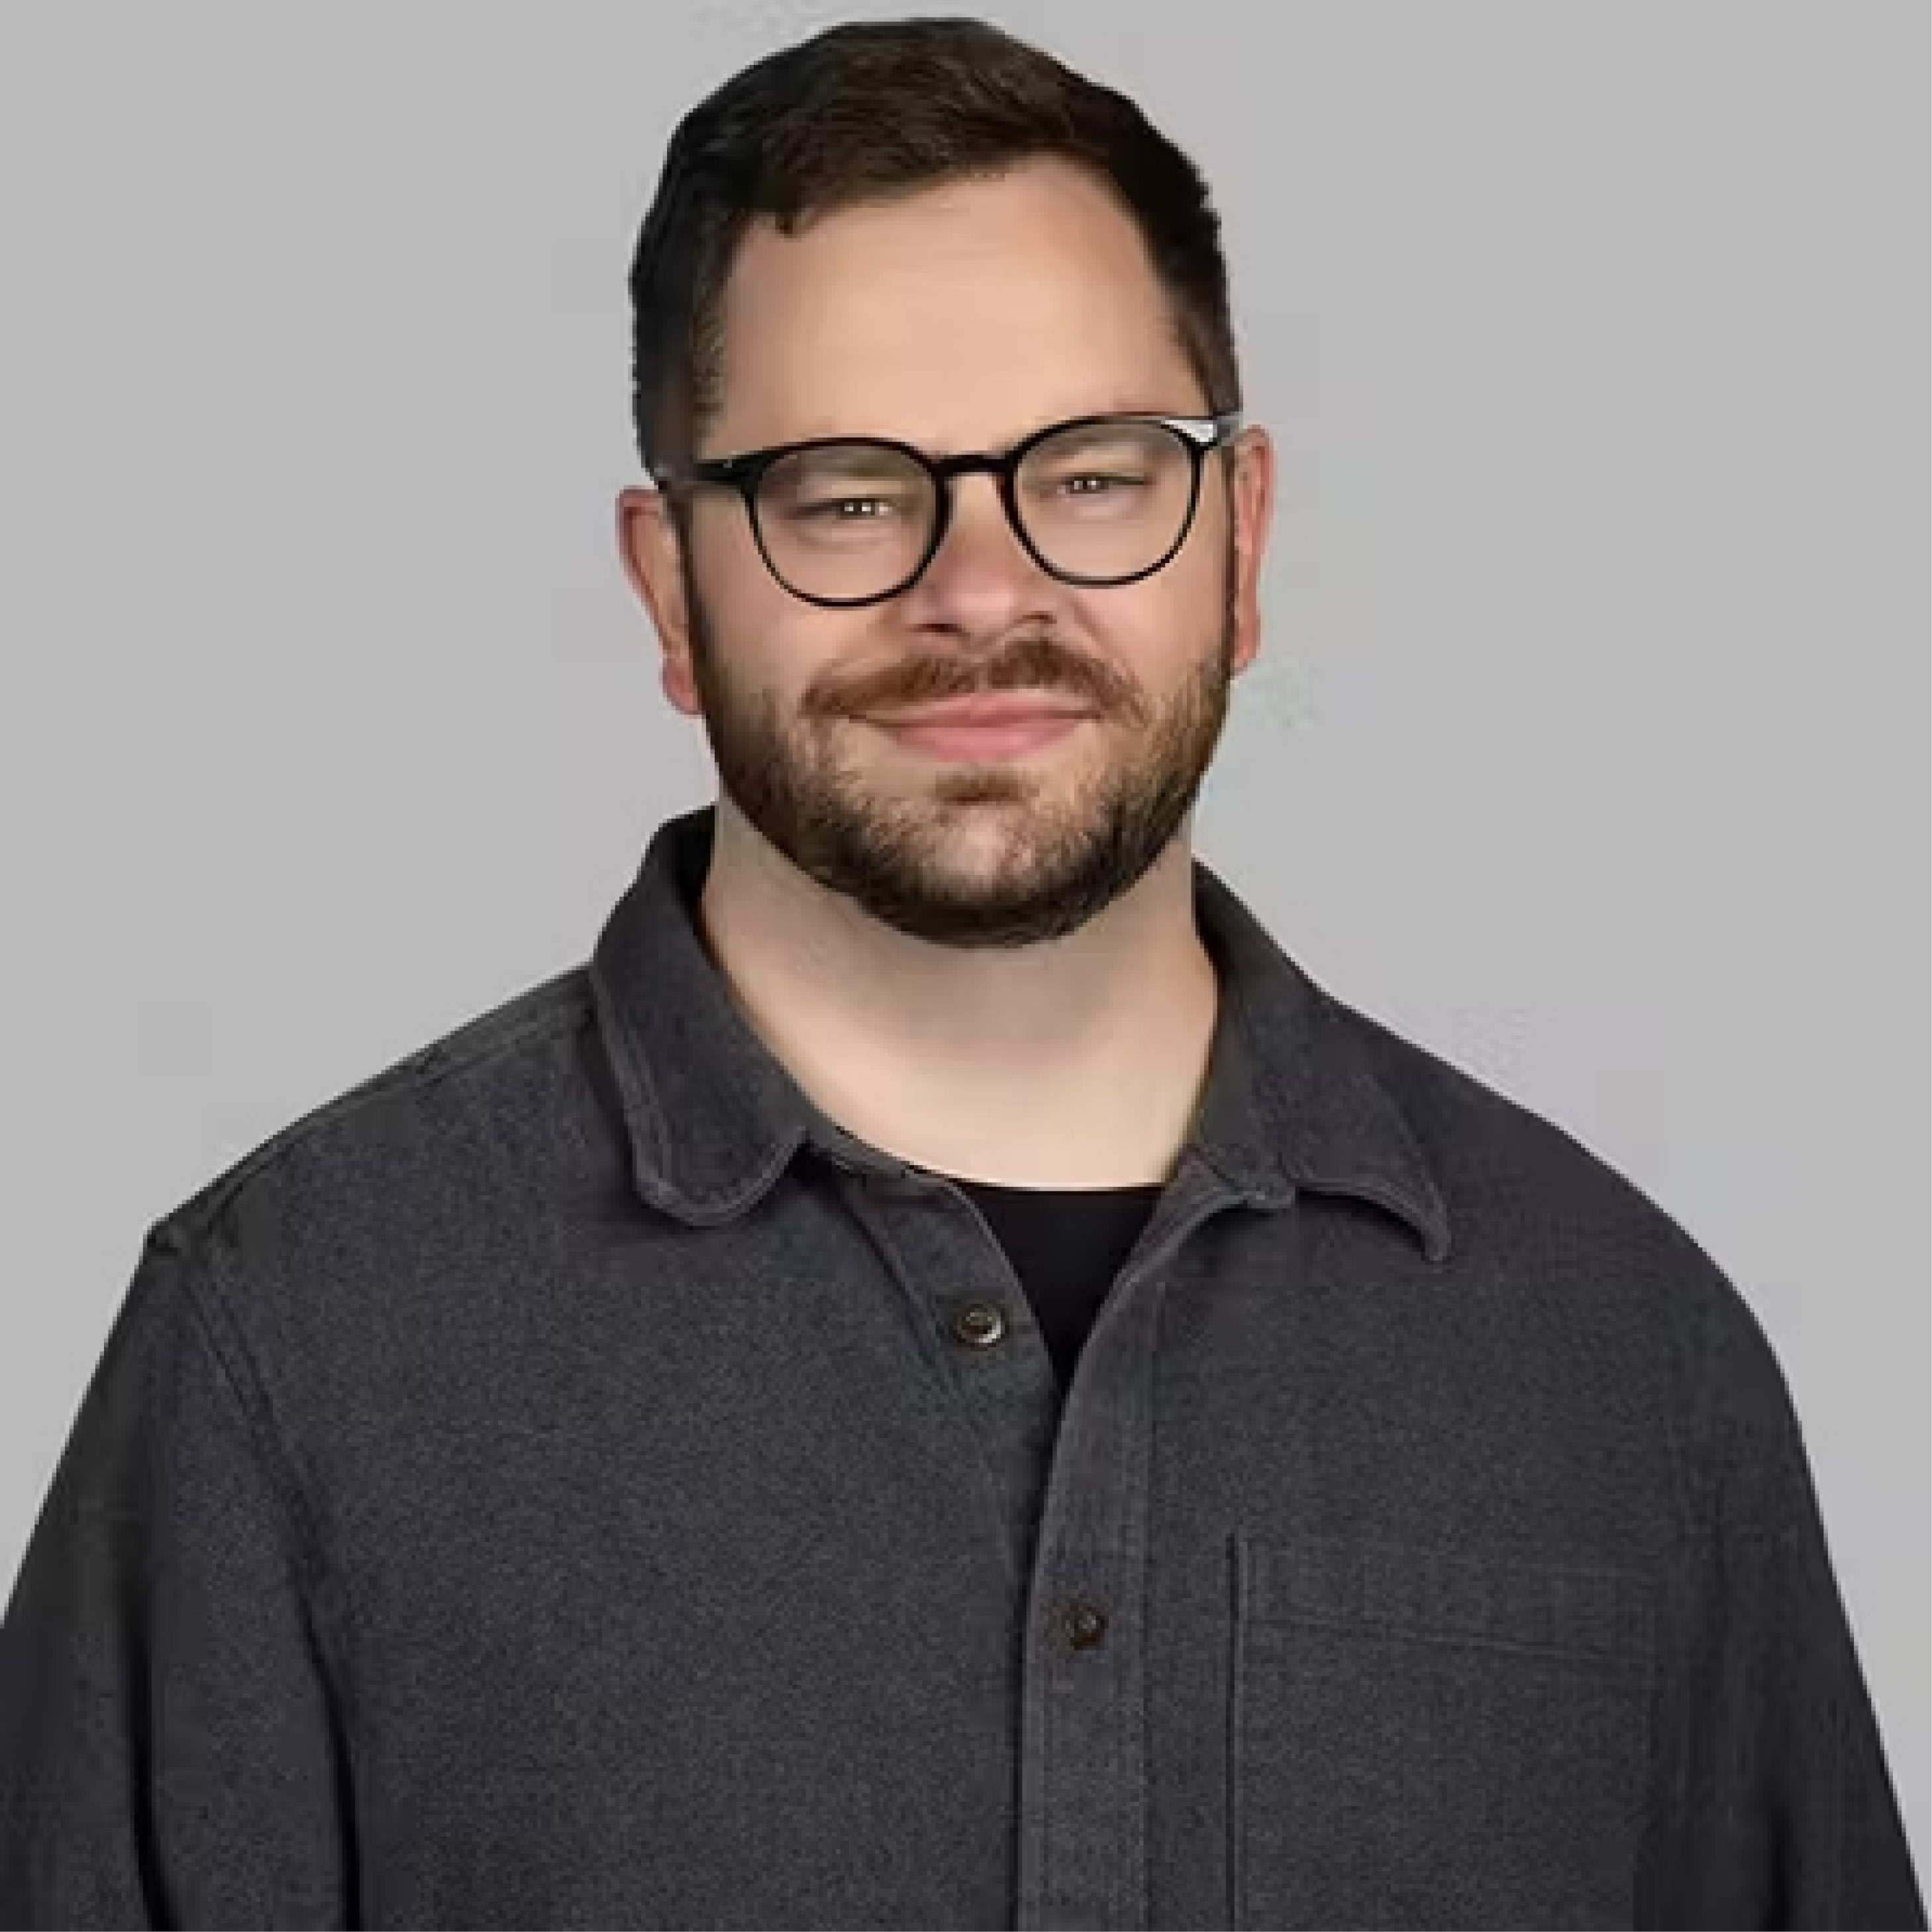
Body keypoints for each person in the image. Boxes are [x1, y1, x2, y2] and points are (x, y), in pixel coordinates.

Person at [0, 14, 1922, 1929]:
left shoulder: (1620, 1353)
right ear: (671, 587)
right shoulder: (294, 1346)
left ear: (1242, 540)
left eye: (1093, 478)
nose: (983, 592)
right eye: (846, 493)